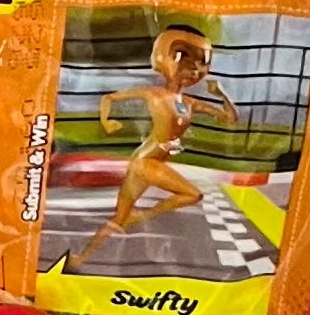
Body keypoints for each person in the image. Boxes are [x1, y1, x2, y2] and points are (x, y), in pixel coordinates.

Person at [75, 25, 241, 267]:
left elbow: (230, 118)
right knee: (192, 194)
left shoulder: (190, 102)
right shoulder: (153, 94)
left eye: (198, 66)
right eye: (185, 63)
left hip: (147, 162)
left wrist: (221, 93)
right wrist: (107, 121)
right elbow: (109, 98)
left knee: (119, 219)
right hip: (146, 162)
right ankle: (141, 216)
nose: (193, 72)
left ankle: (81, 258)